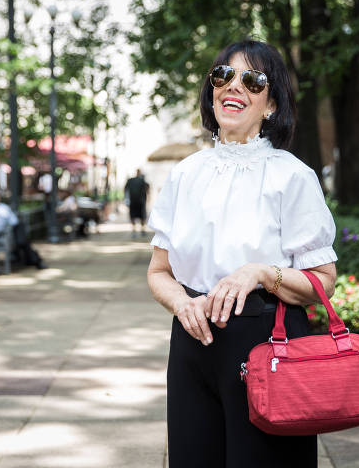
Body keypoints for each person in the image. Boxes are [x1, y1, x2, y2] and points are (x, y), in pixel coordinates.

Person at [146, 38, 338, 467]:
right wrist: (181, 303)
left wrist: (258, 273)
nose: (234, 87)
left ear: (271, 104)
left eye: (252, 80)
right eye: (223, 76)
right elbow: (159, 271)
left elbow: (323, 281)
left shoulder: (293, 176)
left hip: (270, 342)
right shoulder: (185, 174)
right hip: (193, 344)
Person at [0, 190, 47, 269]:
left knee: (20, 230)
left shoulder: (4, 207)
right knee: (23, 240)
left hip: (12, 231)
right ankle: (35, 260)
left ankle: (29, 257)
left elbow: (14, 221)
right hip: (0, 234)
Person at [124, 169, 149, 237]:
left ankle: (134, 231)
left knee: (133, 216)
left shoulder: (130, 180)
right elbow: (147, 189)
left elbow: (126, 190)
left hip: (133, 201)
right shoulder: (142, 180)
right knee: (142, 216)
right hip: (141, 201)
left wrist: (126, 199)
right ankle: (142, 230)